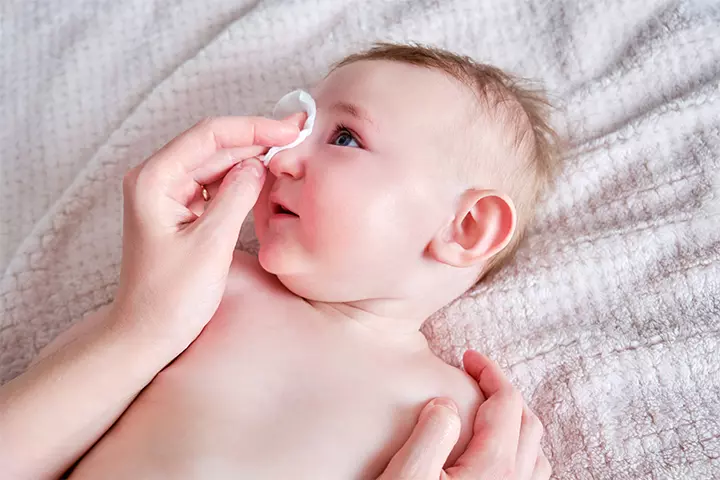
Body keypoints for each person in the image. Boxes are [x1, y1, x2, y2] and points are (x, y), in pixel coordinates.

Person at [0, 43, 556, 479]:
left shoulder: (460, 415)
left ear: (468, 227)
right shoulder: (209, 284)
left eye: (344, 137)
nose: (279, 157)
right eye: (298, 128)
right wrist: (136, 326)